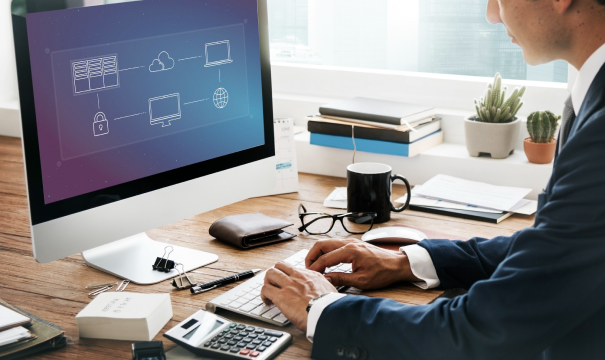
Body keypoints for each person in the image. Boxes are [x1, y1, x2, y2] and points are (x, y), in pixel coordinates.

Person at [260, 0, 605, 359]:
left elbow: (483, 329)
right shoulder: (591, 95)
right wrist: (408, 262)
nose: (491, 13)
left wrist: (323, 308)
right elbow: (555, 247)